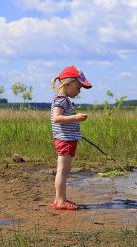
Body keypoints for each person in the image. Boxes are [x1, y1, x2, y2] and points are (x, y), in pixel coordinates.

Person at [50, 65, 92, 210]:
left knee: (64, 171)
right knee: (62, 171)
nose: (79, 91)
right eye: (78, 87)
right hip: (65, 140)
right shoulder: (61, 99)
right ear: (67, 84)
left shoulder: (64, 99)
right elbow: (56, 118)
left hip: (68, 139)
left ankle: (59, 199)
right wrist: (76, 117)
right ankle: (61, 201)